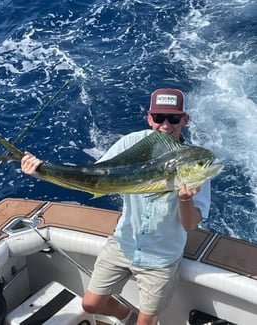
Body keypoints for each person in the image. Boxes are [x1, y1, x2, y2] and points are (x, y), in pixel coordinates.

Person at [21, 88, 211, 325]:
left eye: (173, 118)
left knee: (148, 321)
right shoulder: (131, 142)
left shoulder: (194, 162)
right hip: (124, 243)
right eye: (160, 117)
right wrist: (42, 172)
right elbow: (93, 176)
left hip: (161, 257)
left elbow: (190, 224)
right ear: (149, 117)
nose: (166, 125)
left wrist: (185, 199)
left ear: (185, 120)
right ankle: (126, 316)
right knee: (91, 304)